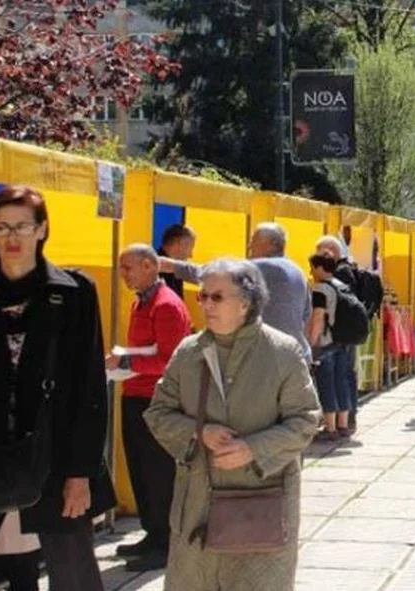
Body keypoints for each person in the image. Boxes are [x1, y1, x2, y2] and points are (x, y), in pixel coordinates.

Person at [144, 259, 320, 591]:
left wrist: (253, 448)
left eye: (217, 297)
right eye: (203, 296)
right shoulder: (189, 351)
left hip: (261, 509)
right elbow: (158, 414)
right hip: (197, 508)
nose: (207, 304)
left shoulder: (283, 352)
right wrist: (200, 433)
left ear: (246, 302)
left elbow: (307, 420)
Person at [0, 186, 116, 591]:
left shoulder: (73, 292)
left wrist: (81, 472)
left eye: (23, 226)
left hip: (55, 452)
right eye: (1, 227)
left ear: (42, 229)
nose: (12, 237)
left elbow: (89, 389)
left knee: (71, 571)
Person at [105, 245, 192, 571]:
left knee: (157, 474)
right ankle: (152, 534)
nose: (123, 274)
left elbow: (169, 360)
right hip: (135, 394)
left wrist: (124, 360)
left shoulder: (166, 305)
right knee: (141, 471)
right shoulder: (142, 301)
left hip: (156, 400)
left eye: (127, 267)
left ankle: (165, 542)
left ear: (148, 266)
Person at [160, 222, 312, 363]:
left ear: (271, 244)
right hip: (297, 355)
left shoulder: (264, 267)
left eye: (254, 239)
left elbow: (215, 274)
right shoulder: (298, 272)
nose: (249, 245)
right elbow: (306, 316)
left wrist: (171, 266)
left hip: (268, 359)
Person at [307, 252, 354, 441]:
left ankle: (330, 427)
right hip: (343, 340)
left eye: (312, 268)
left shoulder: (320, 289)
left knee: (327, 383)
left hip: (326, 342)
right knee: (341, 381)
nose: (311, 272)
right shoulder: (343, 286)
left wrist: (311, 341)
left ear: (319, 268)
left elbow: (318, 317)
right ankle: (343, 424)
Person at [157, 224, 196, 300]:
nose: (191, 255)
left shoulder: (175, 270)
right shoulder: (154, 271)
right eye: (190, 247)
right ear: (178, 244)